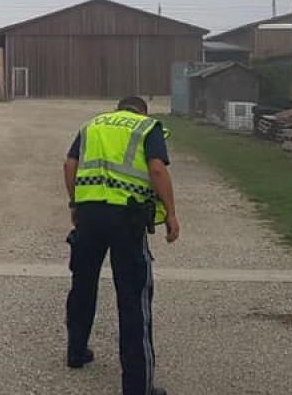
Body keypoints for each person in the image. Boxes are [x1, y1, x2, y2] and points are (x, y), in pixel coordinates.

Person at [64, 95, 180, 395]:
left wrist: (74, 203)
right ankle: (137, 386)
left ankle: (76, 351)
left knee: (83, 282)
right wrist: (171, 214)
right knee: (132, 297)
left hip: (89, 214)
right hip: (127, 219)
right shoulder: (147, 126)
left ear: (117, 109)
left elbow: (70, 164)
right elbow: (156, 169)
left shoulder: (93, 124)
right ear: (142, 110)